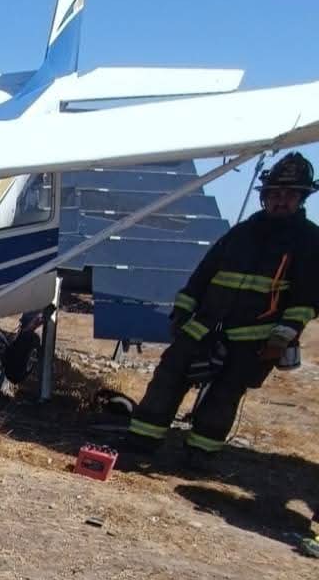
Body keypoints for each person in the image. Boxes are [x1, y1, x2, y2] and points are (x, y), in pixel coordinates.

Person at [124, 152, 319, 475]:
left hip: (253, 339)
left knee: (224, 396)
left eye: (288, 195)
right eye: (274, 194)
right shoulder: (242, 232)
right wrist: (181, 314)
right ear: (264, 196)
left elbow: (307, 299)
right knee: (167, 379)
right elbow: (202, 276)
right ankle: (141, 442)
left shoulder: (309, 241)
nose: (280, 201)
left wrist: (282, 337)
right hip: (202, 328)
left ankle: (199, 456)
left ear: (301, 198)